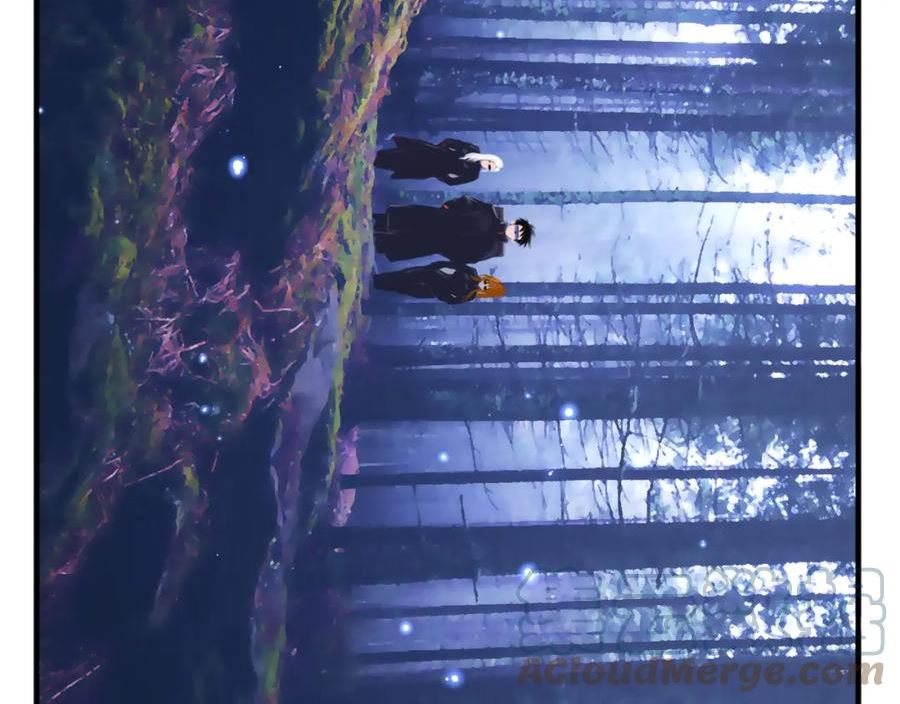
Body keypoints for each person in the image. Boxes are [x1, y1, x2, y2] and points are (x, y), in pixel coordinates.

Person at [374, 195, 534, 264]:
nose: (514, 232)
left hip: (440, 243)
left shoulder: (492, 248)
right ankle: (376, 222)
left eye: (517, 235)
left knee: (403, 244)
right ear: (514, 223)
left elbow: (468, 258)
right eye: (517, 228)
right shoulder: (490, 212)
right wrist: (448, 207)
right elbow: (467, 201)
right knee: (401, 219)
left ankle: (379, 244)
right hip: (439, 218)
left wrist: (447, 249)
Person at [374, 135, 503, 185]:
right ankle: (376, 154)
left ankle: (376, 162)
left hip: (433, 169)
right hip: (433, 153)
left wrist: (440, 174)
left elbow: (452, 182)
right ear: (489, 158)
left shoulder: (473, 175)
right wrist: (441, 148)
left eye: (490, 168)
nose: (487, 166)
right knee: (405, 153)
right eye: (490, 163)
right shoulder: (473, 149)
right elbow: (451, 141)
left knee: (404, 167)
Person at [373, 261, 505, 304]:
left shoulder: (470, 296)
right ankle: (379, 279)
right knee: (405, 275)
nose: (484, 285)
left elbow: (451, 300)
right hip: (433, 275)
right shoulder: (471, 271)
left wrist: (440, 293)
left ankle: (380, 284)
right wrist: (435, 267)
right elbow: (452, 264)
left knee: (405, 288)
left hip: (432, 290)